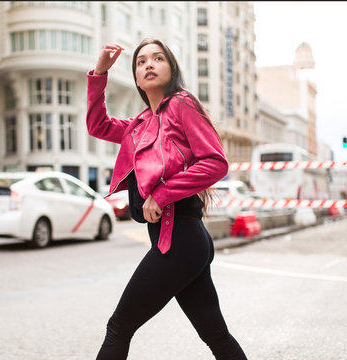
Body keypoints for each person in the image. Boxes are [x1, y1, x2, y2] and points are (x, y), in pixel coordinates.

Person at [87, 39, 248, 360]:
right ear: (135, 77)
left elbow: (215, 162)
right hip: (181, 241)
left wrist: (161, 194)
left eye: (157, 58)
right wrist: (100, 74)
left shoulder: (181, 104)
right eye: (141, 61)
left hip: (180, 239)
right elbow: (98, 125)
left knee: (119, 327)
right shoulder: (140, 124)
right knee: (216, 334)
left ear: (171, 68)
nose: (148, 64)